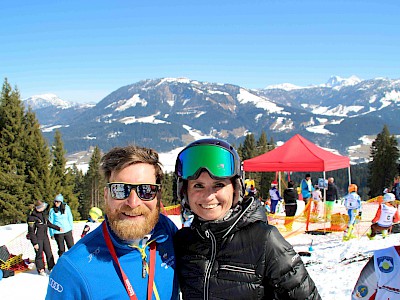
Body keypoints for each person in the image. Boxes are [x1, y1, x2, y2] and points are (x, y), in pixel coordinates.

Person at [173, 138, 321, 299]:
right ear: (184, 192)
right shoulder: (184, 242)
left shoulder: (264, 240)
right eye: (198, 185)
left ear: (235, 189)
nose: (209, 196)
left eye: (219, 185)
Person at [46, 145, 180, 299]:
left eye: (146, 190)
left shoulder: (167, 232)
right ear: (106, 195)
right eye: (120, 190)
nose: (133, 202)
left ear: (158, 195)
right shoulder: (72, 270)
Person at [27, 200, 62, 276]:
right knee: (39, 253)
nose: (43, 208)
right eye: (42, 207)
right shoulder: (32, 218)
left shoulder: (43, 215)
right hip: (37, 238)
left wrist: (57, 228)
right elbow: (31, 232)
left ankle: (51, 267)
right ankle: (40, 269)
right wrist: (35, 243)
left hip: (45, 237)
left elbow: (48, 223)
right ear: (38, 207)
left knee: (49, 252)